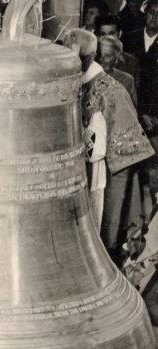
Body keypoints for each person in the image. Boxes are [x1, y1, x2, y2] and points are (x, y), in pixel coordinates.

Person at [63, 28, 153, 260]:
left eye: (75, 58)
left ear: (90, 57)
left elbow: (126, 151)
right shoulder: (69, 82)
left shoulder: (110, 89)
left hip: (100, 173)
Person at [123, 0, 158, 200]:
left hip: (154, 118)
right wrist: (139, 113)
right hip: (131, 113)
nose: (155, 17)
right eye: (152, 12)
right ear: (145, 14)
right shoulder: (129, 38)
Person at [97, 34, 138, 106]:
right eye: (100, 55)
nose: (102, 59)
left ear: (116, 59)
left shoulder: (127, 80)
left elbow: (132, 111)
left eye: (107, 56)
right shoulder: (88, 77)